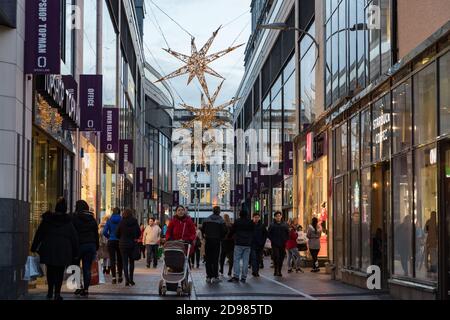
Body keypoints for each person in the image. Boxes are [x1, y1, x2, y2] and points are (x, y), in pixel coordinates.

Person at [31, 197, 79, 300]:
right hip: (63, 250)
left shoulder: (48, 220)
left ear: (56, 208)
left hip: (49, 248)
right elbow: (74, 237)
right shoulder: (68, 222)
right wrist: (75, 252)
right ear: (65, 209)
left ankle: (49, 292)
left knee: (50, 270)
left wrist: (34, 247)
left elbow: (39, 233)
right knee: (59, 271)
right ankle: (57, 293)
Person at [72, 200, 99, 297]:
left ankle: (79, 287)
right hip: (90, 245)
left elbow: (72, 232)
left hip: (78, 246)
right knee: (87, 268)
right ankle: (86, 289)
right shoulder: (92, 219)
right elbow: (96, 234)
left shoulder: (74, 218)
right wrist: (96, 246)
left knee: (75, 266)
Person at [201, 206, 227, 283]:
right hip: (216, 241)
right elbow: (224, 231)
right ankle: (215, 276)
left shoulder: (207, 219)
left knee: (208, 259)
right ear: (219, 212)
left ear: (212, 211)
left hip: (208, 241)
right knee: (215, 259)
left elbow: (202, 229)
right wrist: (221, 238)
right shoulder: (221, 220)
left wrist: (205, 236)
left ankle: (208, 276)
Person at [228, 210, 254, 283]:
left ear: (240, 214)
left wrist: (229, 236)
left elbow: (232, 230)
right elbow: (253, 232)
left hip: (238, 243)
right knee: (246, 261)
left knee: (236, 260)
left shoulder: (237, 221)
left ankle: (236, 276)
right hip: (247, 244)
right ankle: (244, 277)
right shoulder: (250, 222)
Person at [116, 209, 141, 286]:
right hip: (132, 243)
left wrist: (121, 237)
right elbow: (139, 233)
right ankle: (131, 279)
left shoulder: (121, 222)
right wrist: (135, 237)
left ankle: (127, 280)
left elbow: (117, 233)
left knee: (125, 262)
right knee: (131, 262)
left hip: (123, 244)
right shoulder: (134, 222)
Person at [103, 207, 123, 284]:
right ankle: (120, 276)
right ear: (119, 212)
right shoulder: (121, 220)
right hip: (119, 241)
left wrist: (109, 237)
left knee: (112, 259)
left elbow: (104, 231)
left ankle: (114, 277)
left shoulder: (109, 220)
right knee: (119, 259)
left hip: (111, 241)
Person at [268, 211, 289, 277]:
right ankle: (275, 270)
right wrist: (273, 240)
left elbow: (287, 233)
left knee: (281, 257)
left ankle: (279, 270)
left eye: (279, 216)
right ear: (275, 217)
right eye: (277, 216)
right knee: (276, 257)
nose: (278, 217)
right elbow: (269, 234)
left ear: (281, 216)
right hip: (275, 244)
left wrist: (285, 240)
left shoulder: (284, 224)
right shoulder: (272, 224)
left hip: (282, 244)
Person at [250, 213, 268, 277]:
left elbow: (265, 234)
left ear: (259, 218)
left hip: (260, 245)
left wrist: (263, 242)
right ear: (252, 218)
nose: (256, 218)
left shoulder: (262, 225)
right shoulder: (250, 225)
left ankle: (256, 271)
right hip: (252, 245)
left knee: (258, 259)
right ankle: (255, 271)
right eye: (255, 217)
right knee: (254, 258)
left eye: (258, 217)